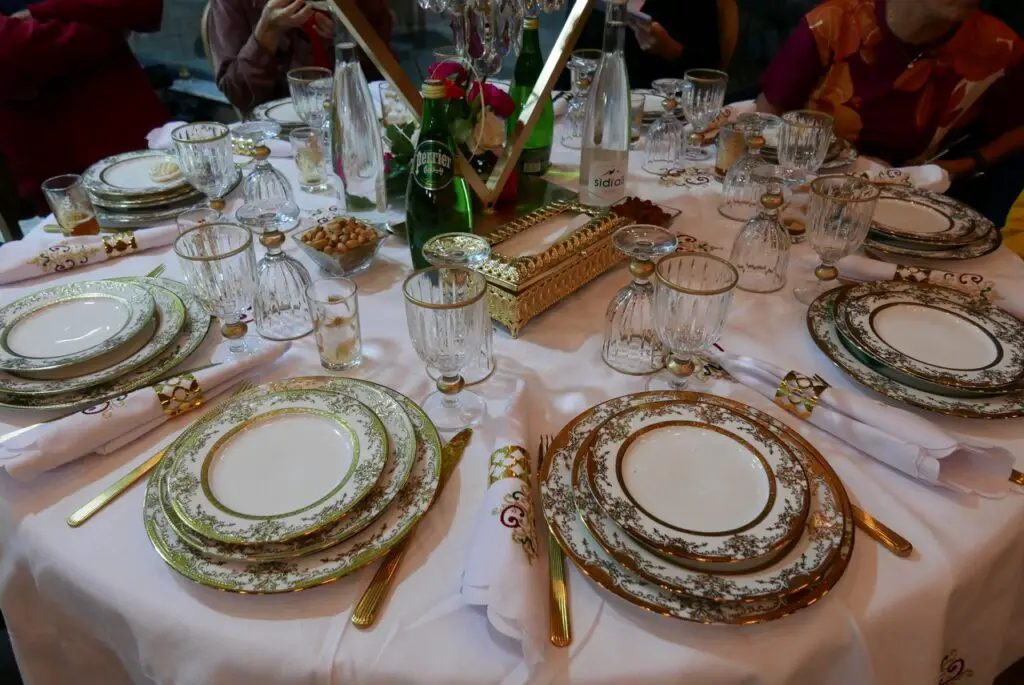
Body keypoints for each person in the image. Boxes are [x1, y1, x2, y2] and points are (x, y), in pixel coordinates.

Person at [756, 0, 1024, 223]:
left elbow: (1017, 128)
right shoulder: (835, 22)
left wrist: (967, 165)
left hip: (903, 205)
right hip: (804, 191)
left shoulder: (999, 46)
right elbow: (766, 119)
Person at [0, 0, 168, 215]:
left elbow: (142, 5)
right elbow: (11, 52)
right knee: (112, 246)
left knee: (194, 231)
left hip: (138, 133)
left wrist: (43, 12)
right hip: (61, 165)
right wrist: (110, 28)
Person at [209, 0, 393, 113]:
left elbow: (386, 76)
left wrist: (348, 33)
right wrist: (266, 34)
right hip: (277, 139)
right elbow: (239, 94)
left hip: (354, 118)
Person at [571, 0, 721, 89]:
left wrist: (669, 48)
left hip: (662, 110)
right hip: (594, 104)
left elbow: (709, 74)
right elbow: (572, 59)